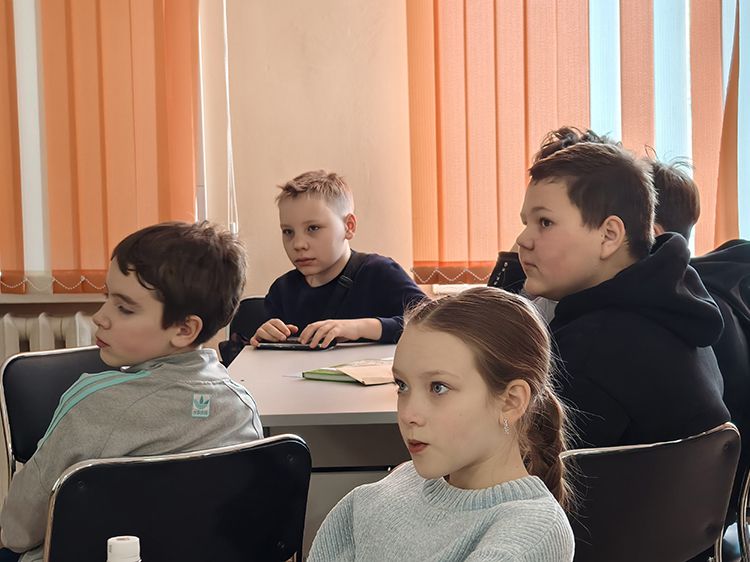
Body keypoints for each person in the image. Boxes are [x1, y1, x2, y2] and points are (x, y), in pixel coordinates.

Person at [0, 222, 263, 562]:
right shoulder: (240, 407)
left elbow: (18, 531)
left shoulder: (94, 405)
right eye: (106, 297)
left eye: (124, 308)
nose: (100, 317)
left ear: (185, 328)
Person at [308, 287, 575, 561]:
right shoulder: (390, 488)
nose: (409, 414)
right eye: (402, 385)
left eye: (438, 387)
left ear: (511, 401)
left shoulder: (529, 536)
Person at [514, 129, 729, 448]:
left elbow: (534, 465)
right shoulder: (681, 314)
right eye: (525, 223)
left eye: (545, 222)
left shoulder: (589, 350)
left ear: (609, 236)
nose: (523, 240)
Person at [251, 170, 426, 348]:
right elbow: (267, 349)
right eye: (288, 231)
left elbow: (432, 324)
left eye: (313, 228)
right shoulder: (282, 290)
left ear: (348, 227)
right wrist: (264, 336)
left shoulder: (380, 272)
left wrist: (359, 328)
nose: (298, 244)